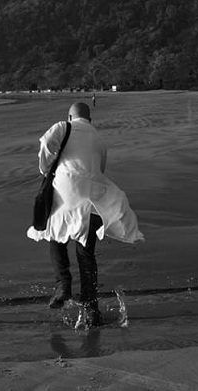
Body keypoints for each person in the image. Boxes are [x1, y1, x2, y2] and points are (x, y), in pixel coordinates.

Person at [27, 102, 143, 327]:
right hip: (94, 199)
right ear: (90, 120)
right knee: (85, 253)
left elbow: (46, 143)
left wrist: (45, 167)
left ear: (71, 116)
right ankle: (91, 310)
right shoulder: (99, 139)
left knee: (56, 237)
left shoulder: (63, 127)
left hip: (66, 193)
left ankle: (63, 285)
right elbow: (101, 168)